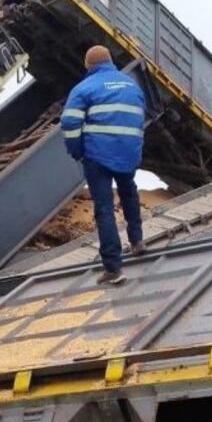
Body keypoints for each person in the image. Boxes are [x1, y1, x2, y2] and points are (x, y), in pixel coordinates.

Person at [60, 45, 147, 285]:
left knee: (104, 209)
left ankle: (113, 268)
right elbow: (141, 118)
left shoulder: (84, 88)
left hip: (97, 156)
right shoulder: (132, 86)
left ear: (88, 66)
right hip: (128, 153)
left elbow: (69, 122)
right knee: (129, 192)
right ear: (110, 61)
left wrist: (77, 151)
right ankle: (138, 241)